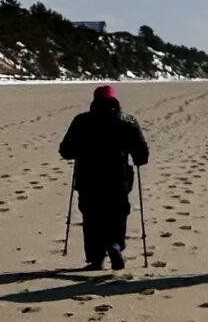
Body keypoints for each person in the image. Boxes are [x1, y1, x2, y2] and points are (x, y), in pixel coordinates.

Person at [58, 84, 149, 272]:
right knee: (118, 213)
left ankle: (96, 259)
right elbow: (142, 155)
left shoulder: (82, 120)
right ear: (115, 101)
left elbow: (66, 151)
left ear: (94, 101)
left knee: (91, 217)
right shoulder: (128, 121)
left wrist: (79, 149)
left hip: (88, 178)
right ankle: (115, 245)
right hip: (119, 178)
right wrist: (136, 158)